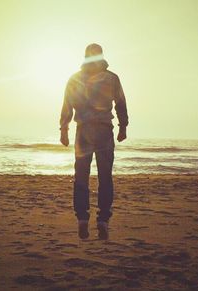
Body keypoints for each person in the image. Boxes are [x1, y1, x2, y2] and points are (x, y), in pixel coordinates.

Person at [59, 43, 129, 240]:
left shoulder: (75, 78)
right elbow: (121, 103)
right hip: (104, 131)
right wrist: (123, 126)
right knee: (105, 178)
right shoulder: (111, 78)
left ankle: (82, 219)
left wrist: (64, 129)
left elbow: (67, 105)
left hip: (83, 131)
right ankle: (103, 220)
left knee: (81, 177)